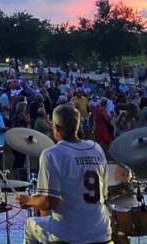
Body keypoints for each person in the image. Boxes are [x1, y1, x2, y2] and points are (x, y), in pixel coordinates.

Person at [16, 105, 111, 244]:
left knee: (30, 224)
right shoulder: (96, 149)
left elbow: (49, 202)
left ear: (56, 127)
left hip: (70, 234)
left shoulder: (52, 154)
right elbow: (104, 194)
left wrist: (28, 201)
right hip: (101, 231)